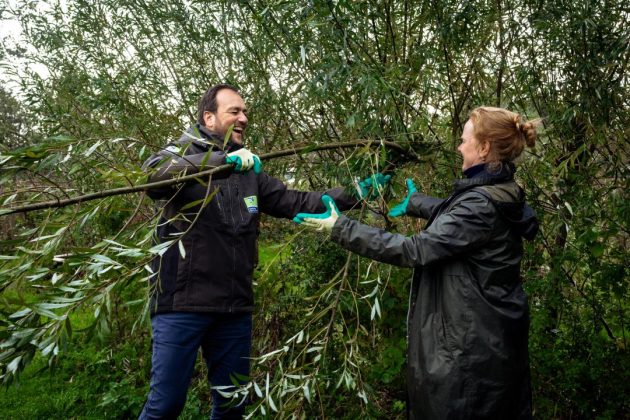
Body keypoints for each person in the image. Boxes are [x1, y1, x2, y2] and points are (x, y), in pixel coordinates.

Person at [139, 83, 389, 419]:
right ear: (209, 117)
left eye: (245, 112)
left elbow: (298, 201)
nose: (243, 118)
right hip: (182, 303)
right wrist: (222, 160)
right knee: (165, 406)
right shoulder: (181, 153)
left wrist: (357, 192)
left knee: (231, 406)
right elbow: (151, 176)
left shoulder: (249, 170)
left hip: (234, 307)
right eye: (234, 112)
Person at [294, 107, 540, 419]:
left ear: (483, 148)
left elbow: (414, 250)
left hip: (470, 350)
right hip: (487, 338)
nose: (459, 146)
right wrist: (418, 204)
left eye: (464, 141)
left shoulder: (480, 204)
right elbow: (462, 221)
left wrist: (341, 227)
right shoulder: (499, 192)